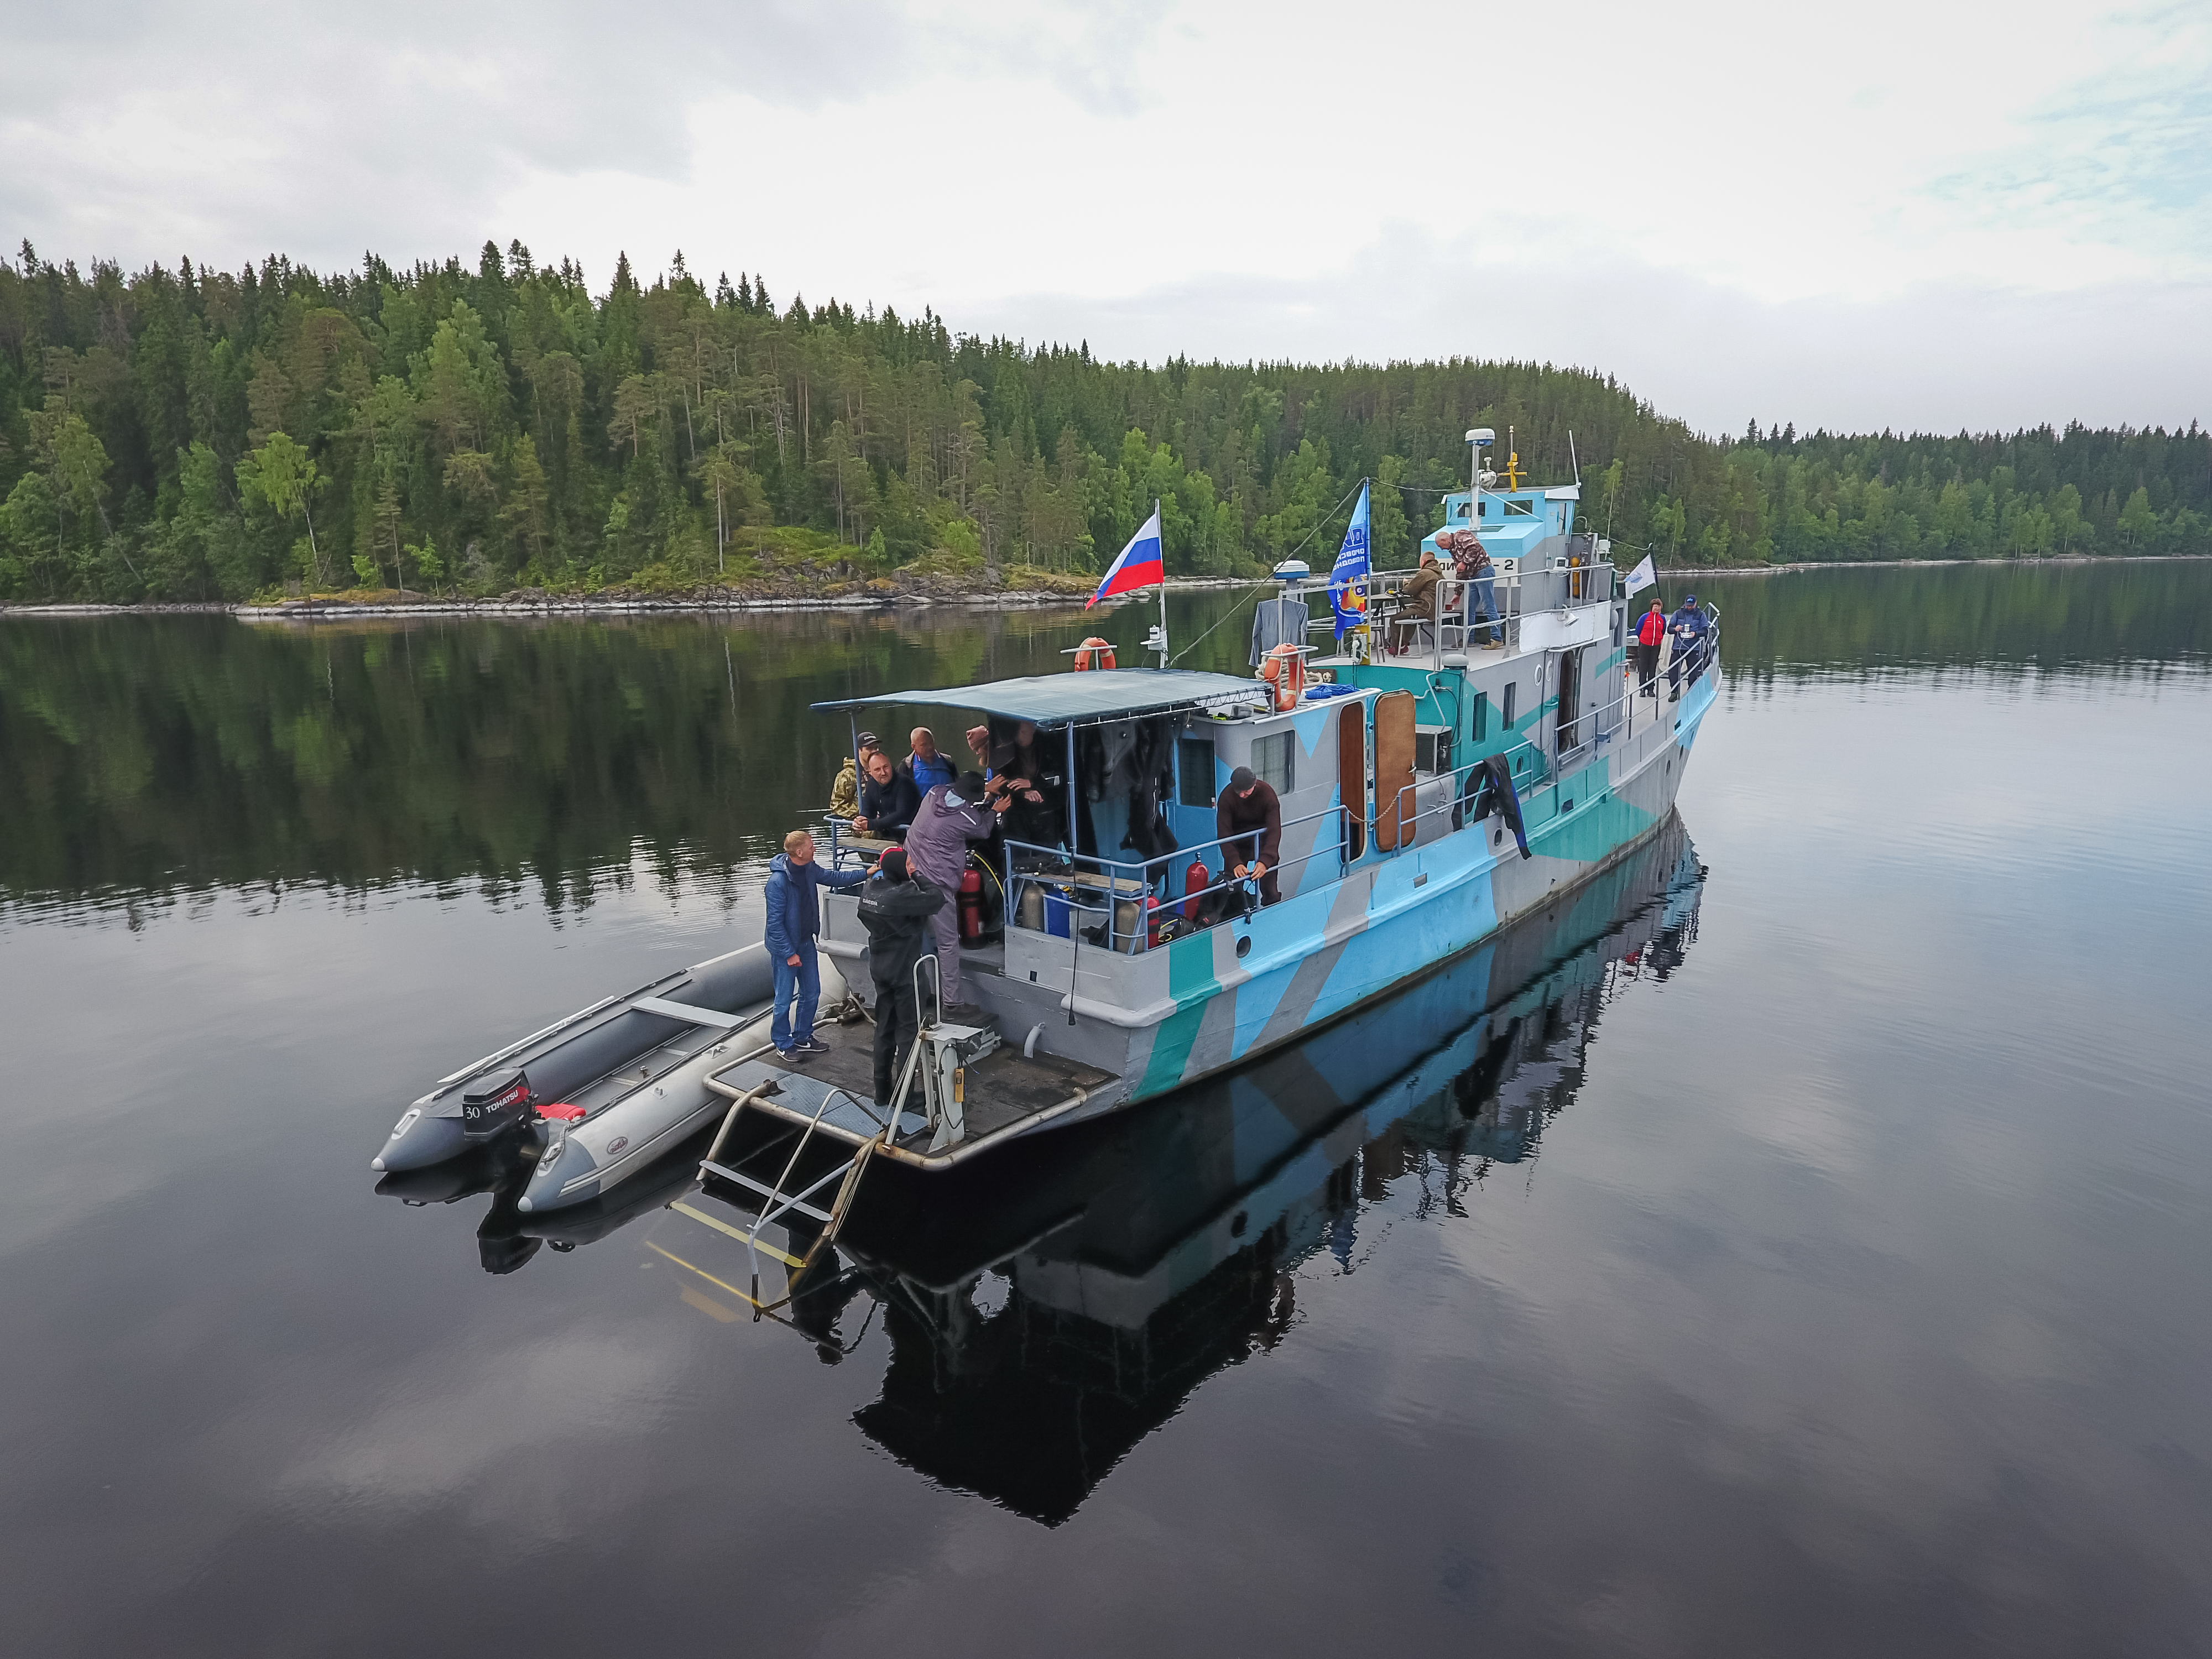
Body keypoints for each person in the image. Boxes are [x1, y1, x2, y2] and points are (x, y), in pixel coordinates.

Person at [902, 770, 1009, 1014]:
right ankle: (952, 1002)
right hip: (937, 884)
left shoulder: (933, 794)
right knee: (948, 943)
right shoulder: (964, 817)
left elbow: (966, 809)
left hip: (910, 871)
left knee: (916, 936)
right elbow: (981, 830)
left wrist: (985, 793)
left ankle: (919, 992)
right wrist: (995, 808)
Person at [763, 829, 867, 1060]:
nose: (815, 849)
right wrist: (789, 954)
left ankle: (803, 1036)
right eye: (811, 846)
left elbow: (834, 878)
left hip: (806, 942)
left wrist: (867, 872)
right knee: (783, 999)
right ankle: (782, 1042)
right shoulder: (777, 882)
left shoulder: (809, 869)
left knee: (812, 993)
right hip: (785, 949)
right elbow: (774, 925)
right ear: (799, 852)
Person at [856, 848, 947, 1109]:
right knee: (908, 1031)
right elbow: (937, 898)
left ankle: (882, 1092)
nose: (912, 866)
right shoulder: (903, 894)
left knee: (884, 1029)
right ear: (899, 867)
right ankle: (905, 1096)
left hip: (881, 968)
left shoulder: (871, 889)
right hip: (906, 970)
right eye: (908, 863)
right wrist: (917, 875)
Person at [1215, 764, 1283, 906]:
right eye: (1238, 791)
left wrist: (1266, 860)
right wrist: (1234, 862)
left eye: (1246, 791)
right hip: (1238, 844)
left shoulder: (1267, 794)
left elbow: (1274, 830)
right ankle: (1235, 913)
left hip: (1264, 843)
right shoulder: (1226, 797)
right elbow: (1224, 833)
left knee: (1269, 887)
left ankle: (1272, 909)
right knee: (1233, 886)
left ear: (1255, 784)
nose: (1241, 795)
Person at [1440, 529, 1500, 646]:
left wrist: (1465, 562)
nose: (1441, 549)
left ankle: (1497, 639)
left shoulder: (1460, 535)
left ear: (1444, 540)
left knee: (1488, 606)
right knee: (1469, 609)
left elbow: (1475, 547)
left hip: (1483, 572)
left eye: (1440, 545)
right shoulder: (1453, 551)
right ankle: (1468, 640)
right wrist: (1458, 593)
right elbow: (1461, 572)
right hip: (1472, 577)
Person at [853, 748, 921, 838]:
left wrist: (871, 825)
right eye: (877, 770)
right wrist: (860, 821)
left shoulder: (904, 783)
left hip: (915, 836)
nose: (883, 773)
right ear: (870, 772)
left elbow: (902, 815)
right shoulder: (872, 784)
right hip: (891, 836)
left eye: (886, 767)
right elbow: (868, 811)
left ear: (891, 766)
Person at [1394, 548, 1443, 655]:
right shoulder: (1439, 574)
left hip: (1424, 609)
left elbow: (1409, 590)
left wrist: (1406, 583)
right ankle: (1404, 644)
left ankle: (1396, 648)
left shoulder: (1425, 573)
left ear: (1424, 562)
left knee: (1395, 619)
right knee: (1408, 615)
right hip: (1435, 610)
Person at [827, 730, 878, 820]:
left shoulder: (883, 770)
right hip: (860, 824)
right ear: (859, 750)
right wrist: (864, 814)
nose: (874, 751)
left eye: (876, 748)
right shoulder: (847, 775)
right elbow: (837, 806)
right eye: (869, 749)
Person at [1667, 593, 1710, 700]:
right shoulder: (1677, 614)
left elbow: (1705, 631)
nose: (1689, 607)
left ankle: (1691, 693)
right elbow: (1669, 629)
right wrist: (1675, 629)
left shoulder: (1701, 615)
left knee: (1693, 671)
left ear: (1696, 604)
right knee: (1673, 670)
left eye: (1691, 605)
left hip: (1694, 647)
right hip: (1678, 647)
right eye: (1688, 605)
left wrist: (1695, 634)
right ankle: (1674, 692)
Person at [901, 727, 956, 796]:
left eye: (931, 742)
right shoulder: (907, 767)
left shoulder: (947, 761)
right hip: (923, 805)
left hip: (949, 804)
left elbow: (959, 786)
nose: (930, 747)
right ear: (914, 747)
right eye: (924, 745)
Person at [1634, 599, 1666, 699]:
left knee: (1652, 668)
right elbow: (1638, 629)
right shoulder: (1645, 617)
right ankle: (1642, 689)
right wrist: (1643, 639)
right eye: (1655, 606)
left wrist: (1659, 639)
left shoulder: (1662, 619)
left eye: (1659, 606)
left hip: (1656, 646)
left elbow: (1663, 630)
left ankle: (1651, 689)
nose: (1657, 608)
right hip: (1644, 645)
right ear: (1652, 607)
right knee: (1643, 667)